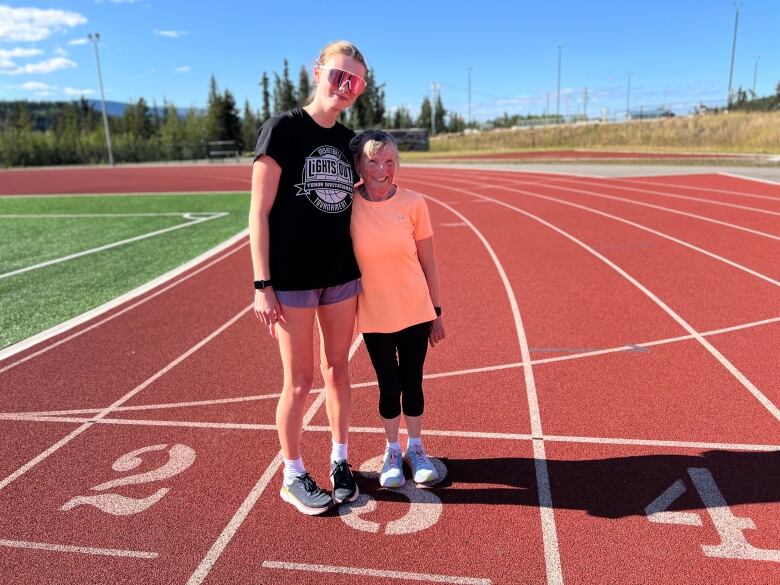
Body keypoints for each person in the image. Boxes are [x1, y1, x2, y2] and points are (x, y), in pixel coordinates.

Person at [249, 40, 368, 515]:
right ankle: (292, 472)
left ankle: (340, 459)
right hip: (292, 280)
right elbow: (257, 213)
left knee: (338, 369)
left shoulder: (350, 141)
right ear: (317, 72)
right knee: (298, 382)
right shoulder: (282, 130)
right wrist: (263, 284)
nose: (344, 86)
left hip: (339, 274)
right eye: (338, 75)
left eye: (354, 81)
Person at [349, 129, 446, 488]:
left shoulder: (414, 203)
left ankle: (416, 448)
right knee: (388, 384)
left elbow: (429, 262)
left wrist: (436, 311)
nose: (381, 169)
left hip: (415, 309)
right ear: (360, 163)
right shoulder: (348, 204)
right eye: (373, 161)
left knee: (413, 381)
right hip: (374, 313)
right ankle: (392, 450)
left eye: (389, 161)